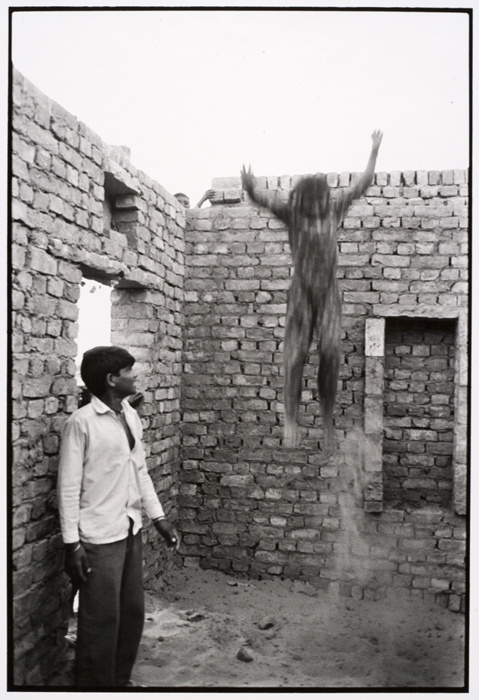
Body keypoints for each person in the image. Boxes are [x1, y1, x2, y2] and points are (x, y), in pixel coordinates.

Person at [241, 130, 383, 448]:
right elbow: (262, 199)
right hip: (302, 292)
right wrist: (250, 186)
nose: (321, 203)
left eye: (323, 198)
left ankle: (327, 417)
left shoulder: (336, 209)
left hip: (329, 292)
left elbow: (363, 183)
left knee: (331, 352)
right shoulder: (293, 215)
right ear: (305, 199)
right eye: (315, 200)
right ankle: (291, 418)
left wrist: (374, 149)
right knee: (295, 356)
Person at [57, 346, 179, 687]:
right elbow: (68, 488)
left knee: (131, 613)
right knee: (100, 620)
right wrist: (72, 545)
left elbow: (138, 470)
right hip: (97, 537)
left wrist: (158, 518)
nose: (134, 376)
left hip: (129, 529)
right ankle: (95, 686)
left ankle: (119, 682)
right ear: (112, 380)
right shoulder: (81, 424)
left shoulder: (129, 414)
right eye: (129, 371)